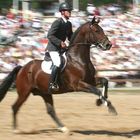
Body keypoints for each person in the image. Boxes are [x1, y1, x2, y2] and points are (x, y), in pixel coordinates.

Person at [46, 2, 73, 91]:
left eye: (70, 11)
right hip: (53, 48)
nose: (70, 12)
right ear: (62, 12)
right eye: (68, 11)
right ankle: (52, 83)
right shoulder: (57, 22)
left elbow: (70, 37)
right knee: (57, 63)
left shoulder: (68, 24)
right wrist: (60, 42)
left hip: (61, 49)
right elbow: (50, 35)